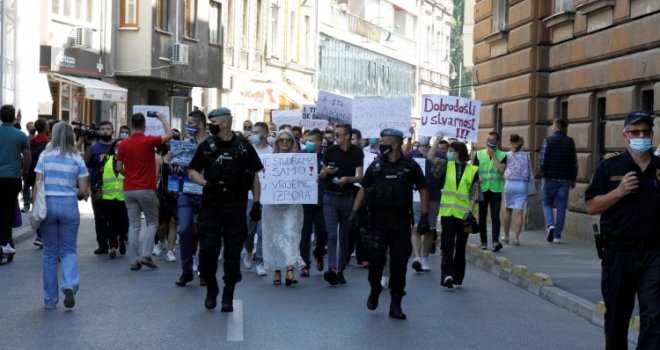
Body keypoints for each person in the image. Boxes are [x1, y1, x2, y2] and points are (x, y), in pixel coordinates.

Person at [586, 111, 660, 350]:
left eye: (646, 132)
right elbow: (591, 206)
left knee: (654, 316)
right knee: (618, 317)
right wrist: (619, 192)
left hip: (653, 253)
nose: (641, 136)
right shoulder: (610, 166)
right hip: (618, 253)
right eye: (635, 132)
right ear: (625, 135)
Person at [188, 107, 263, 312]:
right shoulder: (207, 146)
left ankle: (228, 291)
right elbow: (192, 171)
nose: (210, 125)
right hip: (211, 204)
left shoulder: (244, 147)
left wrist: (256, 203)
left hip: (236, 205)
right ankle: (212, 288)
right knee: (208, 251)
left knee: (232, 252)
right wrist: (206, 184)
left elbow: (255, 175)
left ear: (225, 123)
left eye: (213, 121)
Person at [352, 128, 429, 320]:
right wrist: (354, 211)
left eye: (384, 141)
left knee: (399, 265)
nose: (381, 144)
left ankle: (396, 304)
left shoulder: (410, 166)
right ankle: (375, 288)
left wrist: (425, 216)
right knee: (375, 262)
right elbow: (364, 187)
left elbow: (423, 189)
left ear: (394, 145)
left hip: (401, 221)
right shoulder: (376, 166)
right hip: (378, 221)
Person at [34, 122, 89, 308]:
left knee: (49, 253)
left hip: (47, 205)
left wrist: (35, 207)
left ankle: (50, 300)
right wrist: (80, 193)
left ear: (54, 135)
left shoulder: (45, 155)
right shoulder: (77, 158)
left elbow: (38, 184)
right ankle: (69, 285)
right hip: (68, 205)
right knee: (68, 250)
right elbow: (82, 190)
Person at [116, 112, 173, 270]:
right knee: (152, 221)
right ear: (144, 126)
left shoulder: (124, 144)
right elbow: (170, 134)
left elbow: (118, 167)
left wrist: (129, 176)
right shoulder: (149, 141)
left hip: (129, 188)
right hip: (146, 188)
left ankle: (133, 260)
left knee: (134, 224)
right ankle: (146, 255)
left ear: (131, 124)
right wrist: (162, 118)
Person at [318, 123, 364, 286]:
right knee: (331, 234)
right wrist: (326, 172)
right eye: (334, 134)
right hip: (329, 197)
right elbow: (320, 176)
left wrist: (348, 179)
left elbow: (361, 177)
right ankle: (331, 269)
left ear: (347, 136)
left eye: (338, 135)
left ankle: (340, 269)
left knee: (344, 234)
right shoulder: (330, 150)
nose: (335, 137)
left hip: (347, 197)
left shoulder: (357, 151)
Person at [262, 130, 305, 286]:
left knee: (291, 234)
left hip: (292, 204)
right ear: (277, 142)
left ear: (292, 142)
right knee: (274, 235)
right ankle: (277, 270)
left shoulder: (301, 161)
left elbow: (307, 179)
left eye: (288, 140)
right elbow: (261, 179)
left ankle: (290, 269)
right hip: (272, 204)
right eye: (282, 140)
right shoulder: (267, 160)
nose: (285, 142)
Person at [173, 110, 208, 286]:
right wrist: (173, 164)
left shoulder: (212, 143)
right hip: (186, 191)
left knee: (205, 233)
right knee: (184, 230)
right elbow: (175, 164)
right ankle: (187, 271)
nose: (187, 126)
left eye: (190, 123)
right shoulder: (184, 143)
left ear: (200, 124)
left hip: (205, 192)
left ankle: (203, 270)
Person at [439, 141, 479, 289]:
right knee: (448, 245)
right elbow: (431, 159)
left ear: (458, 152)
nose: (448, 153)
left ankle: (458, 277)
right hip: (448, 213)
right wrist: (437, 139)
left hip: (465, 216)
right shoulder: (445, 166)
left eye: (450, 150)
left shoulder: (473, 170)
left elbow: (476, 192)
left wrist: (470, 210)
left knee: (461, 247)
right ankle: (447, 276)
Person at [407, 136, 443, 272]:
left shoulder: (440, 156)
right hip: (415, 196)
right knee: (415, 227)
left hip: (433, 196)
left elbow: (439, 175)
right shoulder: (411, 155)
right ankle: (416, 257)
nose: (423, 137)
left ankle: (424, 258)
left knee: (430, 229)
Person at [539, 118, 577, 243]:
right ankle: (557, 236)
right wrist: (573, 178)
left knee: (546, 203)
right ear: (564, 127)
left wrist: (543, 172)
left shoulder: (548, 140)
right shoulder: (570, 142)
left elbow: (542, 159)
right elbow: (574, 162)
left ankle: (550, 225)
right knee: (561, 207)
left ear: (555, 127)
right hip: (565, 179)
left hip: (549, 177)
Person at [82, 121, 117, 255]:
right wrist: (86, 189)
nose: (105, 131)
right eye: (102, 129)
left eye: (108, 129)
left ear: (112, 131)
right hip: (98, 188)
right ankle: (102, 244)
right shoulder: (93, 148)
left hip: (115, 189)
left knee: (113, 218)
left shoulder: (118, 146)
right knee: (100, 218)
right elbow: (86, 168)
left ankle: (115, 242)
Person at [0, 105, 30, 255]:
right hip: (12, 178)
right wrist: (24, 172)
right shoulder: (20, 135)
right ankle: (4, 242)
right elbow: (27, 157)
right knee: (7, 210)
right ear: (13, 118)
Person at [244, 121, 272, 277]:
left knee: (263, 231)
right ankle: (248, 250)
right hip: (249, 197)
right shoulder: (247, 151)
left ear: (264, 134)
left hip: (267, 198)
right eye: (252, 132)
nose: (252, 135)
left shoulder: (272, 153)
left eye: (255, 132)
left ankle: (260, 261)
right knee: (248, 230)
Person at [299, 129, 328, 275]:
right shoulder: (302, 155)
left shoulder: (327, 155)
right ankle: (305, 264)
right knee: (304, 233)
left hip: (322, 199)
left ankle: (319, 251)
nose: (308, 143)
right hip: (305, 200)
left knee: (322, 232)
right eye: (307, 140)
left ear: (319, 141)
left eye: (311, 140)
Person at [473, 131, 506, 252]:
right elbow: (473, 170)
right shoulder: (478, 154)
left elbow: (501, 170)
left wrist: (493, 156)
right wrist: (477, 178)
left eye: (492, 141)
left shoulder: (502, 155)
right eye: (488, 140)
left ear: (497, 142)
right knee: (481, 217)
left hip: (495, 189)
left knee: (495, 216)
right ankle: (483, 242)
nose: (489, 143)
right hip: (482, 188)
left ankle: (495, 242)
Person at [97, 135, 129, 259]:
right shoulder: (106, 159)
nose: (118, 148)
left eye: (121, 146)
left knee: (124, 222)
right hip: (109, 196)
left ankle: (121, 239)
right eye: (116, 146)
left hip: (124, 196)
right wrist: (98, 189)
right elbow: (99, 175)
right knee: (111, 223)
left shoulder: (130, 159)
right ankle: (113, 247)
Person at [502, 134, 530, 246]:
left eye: (509, 141)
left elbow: (502, 168)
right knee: (519, 212)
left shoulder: (506, 155)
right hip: (521, 185)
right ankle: (516, 239)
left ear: (513, 143)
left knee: (508, 210)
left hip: (509, 184)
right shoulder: (526, 155)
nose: (508, 143)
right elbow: (529, 171)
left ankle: (506, 236)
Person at [347, 128, 367, 267]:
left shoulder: (367, 155)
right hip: (349, 191)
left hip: (363, 191)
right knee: (348, 225)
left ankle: (362, 256)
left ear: (359, 140)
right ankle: (346, 254)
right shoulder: (343, 154)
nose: (351, 142)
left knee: (362, 225)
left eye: (353, 139)